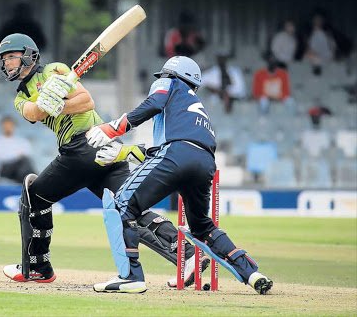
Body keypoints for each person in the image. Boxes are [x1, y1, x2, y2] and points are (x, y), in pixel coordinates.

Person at [0, 33, 208, 287]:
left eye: (11, 56)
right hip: (105, 151)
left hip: (85, 145)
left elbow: (86, 101)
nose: (6, 63)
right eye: (4, 59)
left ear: (30, 55)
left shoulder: (55, 70)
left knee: (34, 194)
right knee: (127, 207)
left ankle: (38, 266)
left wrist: (59, 103)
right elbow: (33, 112)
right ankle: (188, 254)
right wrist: (45, 100)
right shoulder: (20, 97)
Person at [86, 56, 273, 294]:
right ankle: (252, 273)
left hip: (177, 154)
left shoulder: (171, 82)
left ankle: (130, 276)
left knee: (120, 203)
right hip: (205, 163)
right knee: (202, 227)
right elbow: (179, 149)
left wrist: (113, 128)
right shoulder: (196, 108)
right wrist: (124, 153)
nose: (160, 80)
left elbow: (155, 106)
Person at [0, 116, 36, 183]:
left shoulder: (21, 141)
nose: (8, 127)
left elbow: (27, 155)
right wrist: (17, 156)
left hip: (18, 169)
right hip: (5, 168)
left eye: (10, 125)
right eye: (6, 125)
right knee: (24, 162)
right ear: (2, 126)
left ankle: (27, 181)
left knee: (25, 164)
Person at [202, 49, 246, 113]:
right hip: (215, 105)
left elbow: (241, 89)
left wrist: (226, 92)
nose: (222, 61)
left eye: (224, 58)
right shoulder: (210, 73)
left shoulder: (235, 72)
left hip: (234, 102)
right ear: (217, 59)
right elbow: (201, 85)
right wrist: (214, 90)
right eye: (220, 58)